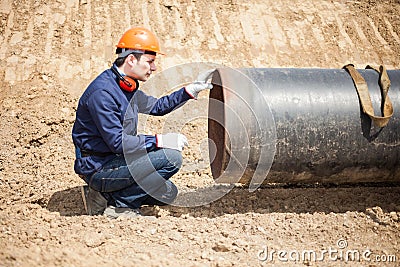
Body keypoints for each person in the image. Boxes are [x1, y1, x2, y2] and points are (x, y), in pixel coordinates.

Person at [72, 27, 213, 218]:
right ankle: (120, 207)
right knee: (171, 158)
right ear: (131, 59)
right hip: (99, 167)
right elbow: (118, 142)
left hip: (116, 161)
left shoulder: (125, 87)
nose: (154, 68)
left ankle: (102, 196)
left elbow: (158, 107)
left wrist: (190, 90)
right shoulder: (103, 93)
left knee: (167, 192)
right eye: (150, 61)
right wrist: (159, 141)